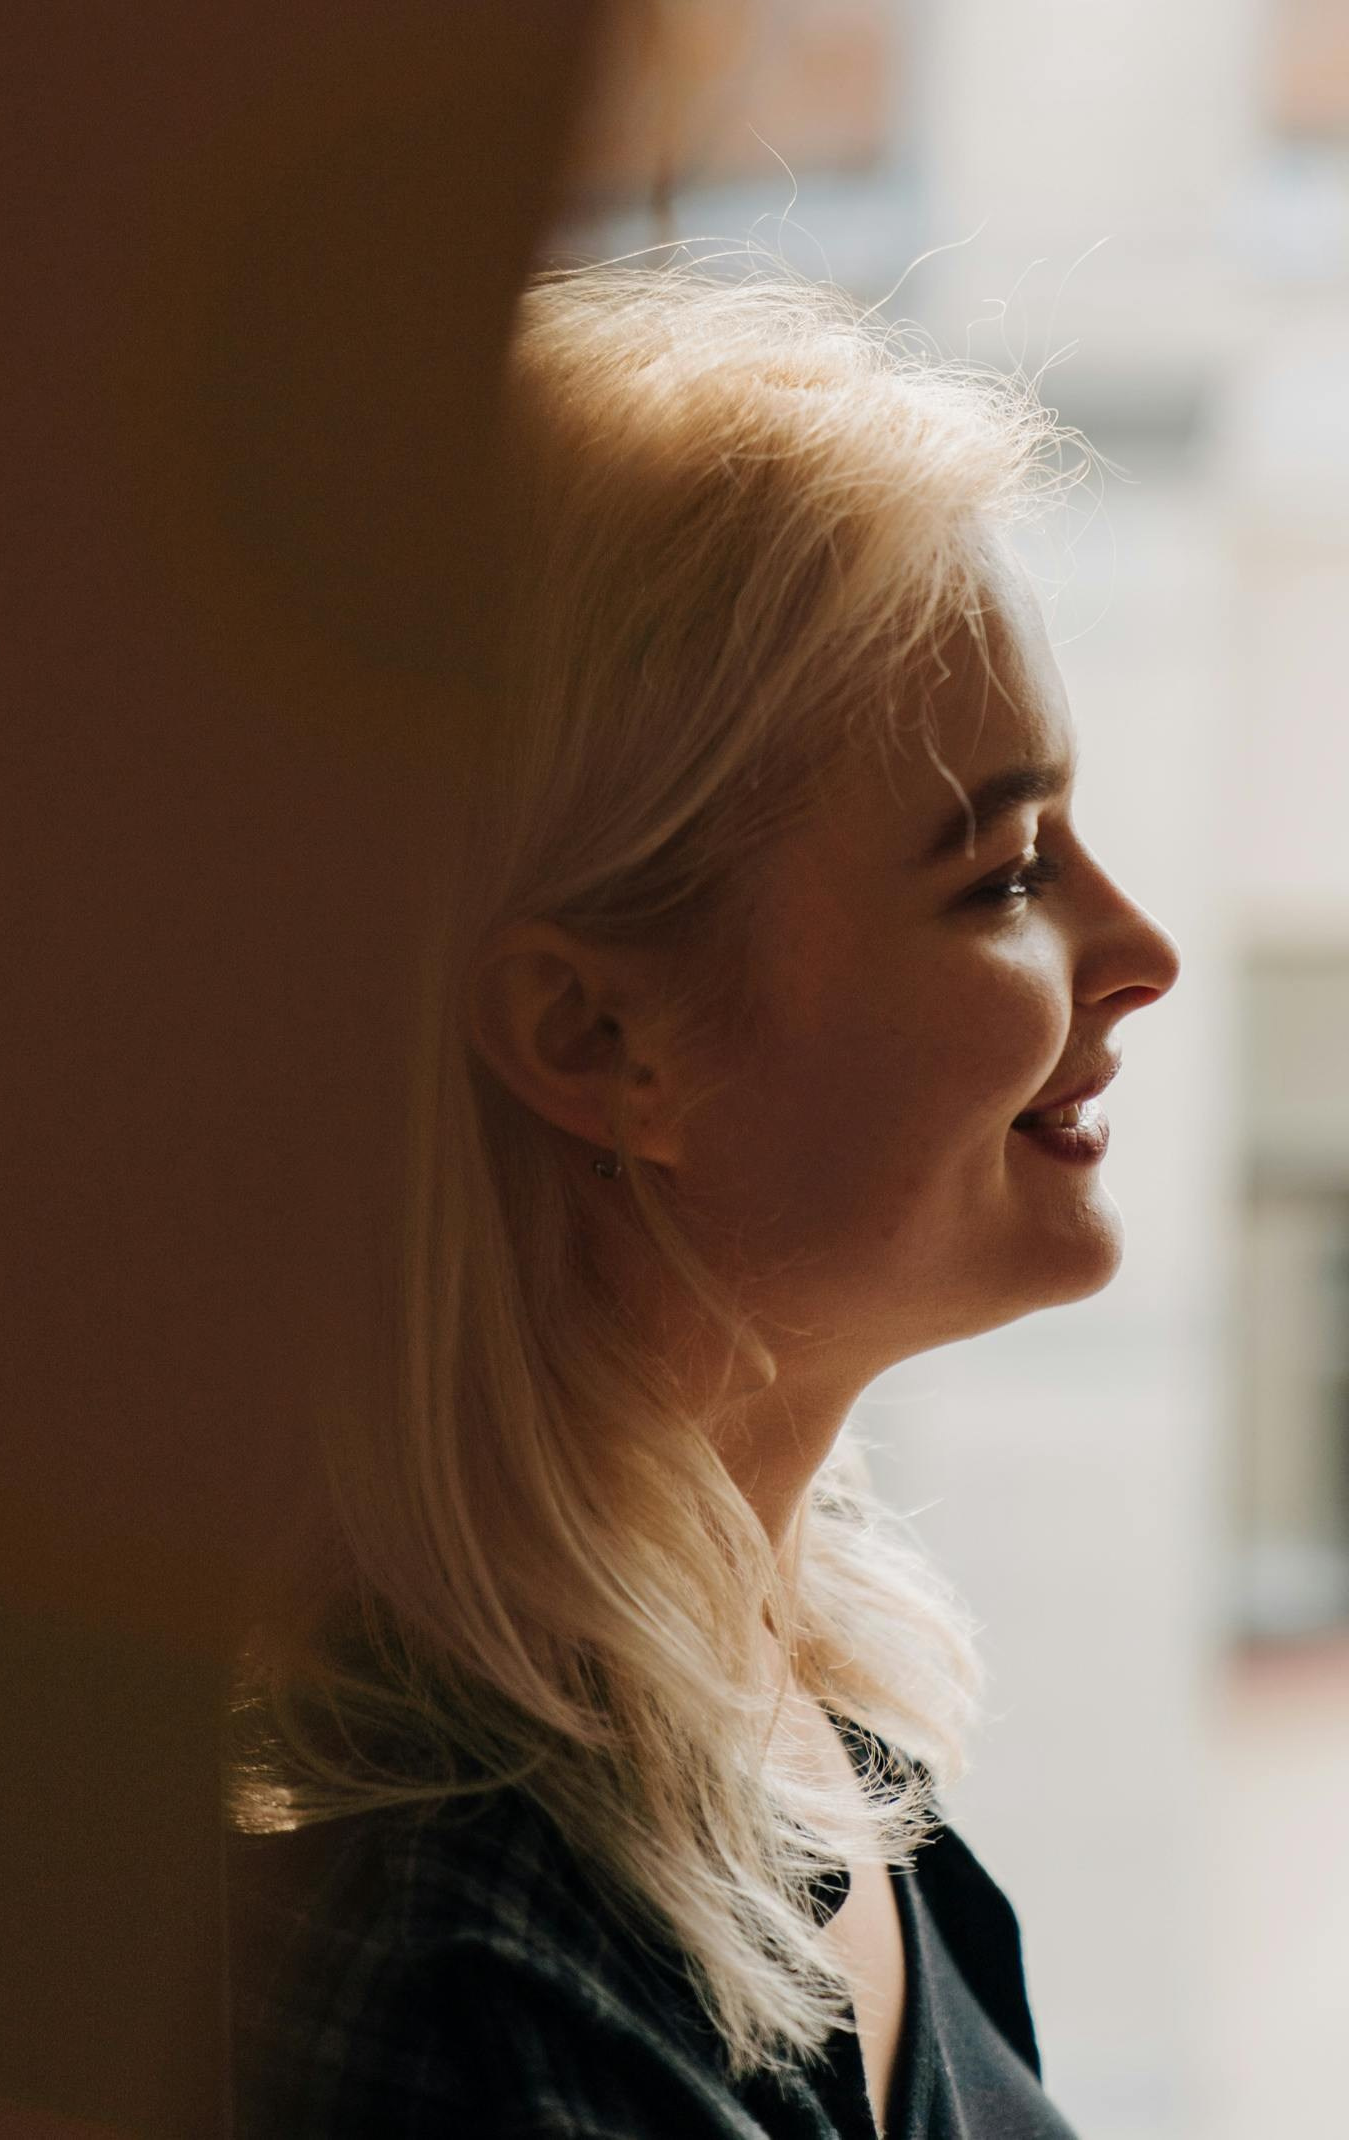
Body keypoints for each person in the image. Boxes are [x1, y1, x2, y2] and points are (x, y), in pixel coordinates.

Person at [229, 265, 1181, 2137]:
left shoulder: (825, 1754)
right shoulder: (460, 1972)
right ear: (595, 1035)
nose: (1136, 950)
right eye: (999, 876)